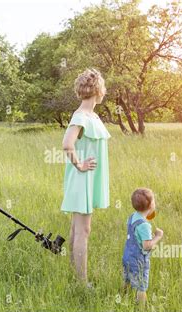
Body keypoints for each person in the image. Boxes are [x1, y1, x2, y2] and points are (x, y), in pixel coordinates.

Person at [61, 68, 111, 285]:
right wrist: (79, 164)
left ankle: (74, 275)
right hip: (82, 179)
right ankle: (82, 282)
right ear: (98, 90)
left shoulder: (93, 115)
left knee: (76, 228)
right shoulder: (81, 116)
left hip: (87, 178)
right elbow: (66, 144)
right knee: (84, 230)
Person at [122, 188, 164, 305]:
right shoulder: (144, 225)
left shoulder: (132, 217)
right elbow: (146, 246)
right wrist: (157, 237)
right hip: (138, 260)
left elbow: (135, 235)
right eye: (154, 201)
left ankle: (124, 295)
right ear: (151, 205)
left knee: (128, 278)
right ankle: (142, 308)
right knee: (141, 286)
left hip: (127, 257)